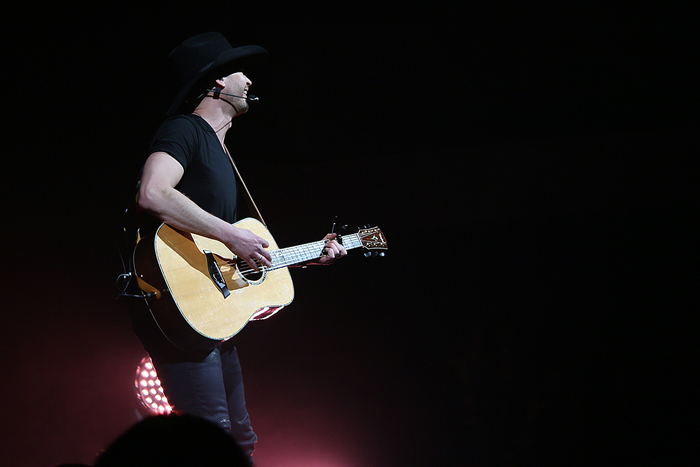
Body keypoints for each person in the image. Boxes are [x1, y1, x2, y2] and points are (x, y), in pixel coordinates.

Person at [128, 32, 346, 466]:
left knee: (241, 441)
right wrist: (231, 234)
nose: (249, 80)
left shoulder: (221, 151)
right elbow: (152, 192)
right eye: (239, 72)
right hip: (176, 312)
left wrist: (306, 256)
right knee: (212, 440)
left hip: (210, 315)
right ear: (216, 82)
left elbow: (227, 258)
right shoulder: (185, 129)